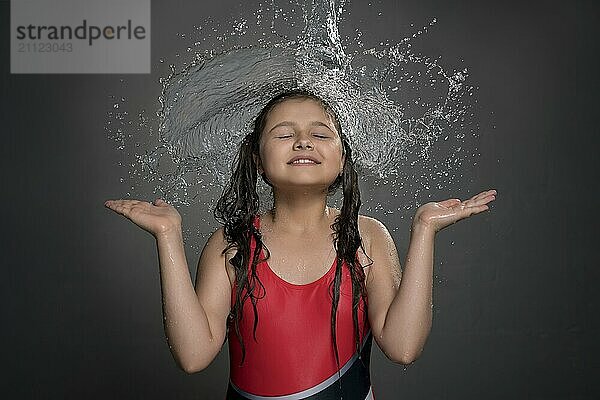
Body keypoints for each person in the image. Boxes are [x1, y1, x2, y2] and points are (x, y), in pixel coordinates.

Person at [105, 90, 496, 399]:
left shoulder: (368, 237)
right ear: (258, 160)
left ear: (342, 159)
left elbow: (404, 347)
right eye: (285, 134)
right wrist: (168, 236)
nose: (304, 142)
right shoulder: (232, 244)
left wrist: (425, 230)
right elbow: (192, 356)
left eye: (320, 134)